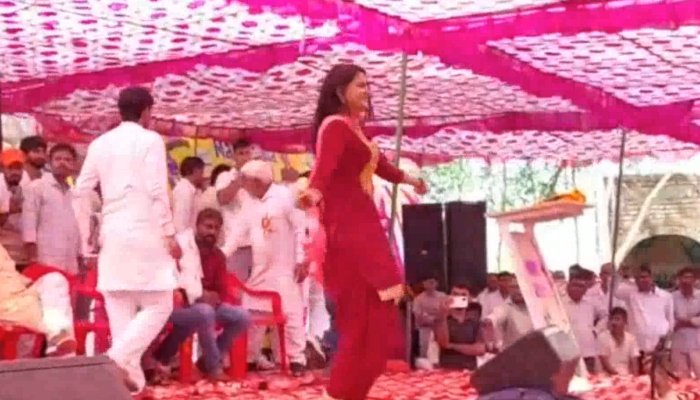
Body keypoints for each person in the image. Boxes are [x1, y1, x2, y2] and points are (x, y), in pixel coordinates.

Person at [297, 64, 427, 400]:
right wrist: (313, 193)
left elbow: (382, 166)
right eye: (360, 85)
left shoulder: (356, 130)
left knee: (379, 318)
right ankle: (338, 393)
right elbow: (323, 168)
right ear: (340, 92)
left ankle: (353, 391)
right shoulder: (334, 127)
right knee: (361, 319)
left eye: (368, 85)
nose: (367, 91)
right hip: (349, 230)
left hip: (365, 226)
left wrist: (411, 180)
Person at [73, 87, 181, 394]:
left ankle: (128, 389)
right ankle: (112, 360)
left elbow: (80, 192)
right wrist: (169, 233)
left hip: (113, 236)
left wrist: (86, 239)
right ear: (146, 111)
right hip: (146, 233)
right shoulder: (150, 140)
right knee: (160, 304)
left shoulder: (99, 144)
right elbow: (157, 191)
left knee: (121, 313)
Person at [222, 160, 309, 376]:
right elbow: (237, 234)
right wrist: (219, 256)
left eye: (245, 181)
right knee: (251, 312)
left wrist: (301, 259)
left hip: (285, 269)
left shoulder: (285, 196)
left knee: (291, 314)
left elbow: (300, 228)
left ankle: (297, 360)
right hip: (260, 269)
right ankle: (250, 357)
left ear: (257, 182)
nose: (242, 185)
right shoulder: (249, 202)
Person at [153, 208, 251, 380]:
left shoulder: (218, 256)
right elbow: (172, 279)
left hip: (206, 306)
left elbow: (221, 291)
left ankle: (205, 361)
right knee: (203, 313)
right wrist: (198, 294)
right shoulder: (182, 247)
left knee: (242, 316)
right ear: (197, 226)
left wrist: (211, 297)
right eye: (208, 226)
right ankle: (214, 367)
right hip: (175, 305)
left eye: (216, 228)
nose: (211, 232)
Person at [0, 244, 76, 357]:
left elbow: (10, 276)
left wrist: (30, 284)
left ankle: (57, 339)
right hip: (8, 305)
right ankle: (59, 344)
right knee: (57, 308)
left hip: (21, 296)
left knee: (55, 279)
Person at [22, 143, 81, 274]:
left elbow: (79, 226)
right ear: (50, 162)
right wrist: (32, 258)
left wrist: (80, 256)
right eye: (58, 159)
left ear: (74, 164)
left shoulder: (75, 191)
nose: (62, 163)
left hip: (71, 259)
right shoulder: (37, 187)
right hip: (45, 258)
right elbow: (28, 226)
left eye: (67, 160)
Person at [614, 264, 673, 359]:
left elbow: (670, 320)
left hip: (659, 345)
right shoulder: (630, 293)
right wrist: (618, 274)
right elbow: (614, 291)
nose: (641, 280)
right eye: (637, 278)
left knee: (660, 369)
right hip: (637, 345)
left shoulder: (666, 296)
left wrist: (667, 342)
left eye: (644, 277)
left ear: (652, 277)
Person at [216, 139, 255, 281]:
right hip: (236, 246)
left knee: (259, 289)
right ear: (234, 156)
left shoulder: (259, 178)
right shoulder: (225, 177)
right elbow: (222, 199)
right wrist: (239, 181)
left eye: (247, 153)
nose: (245, 157)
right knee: (237, 288)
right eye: (241, 153)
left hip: (259, 245)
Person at [562, 272, 607, 373]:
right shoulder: (560, 303)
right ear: (568, 286)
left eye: (581, 286)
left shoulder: (591, 303)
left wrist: (596, 330)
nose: (578, 289)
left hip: (587, 351)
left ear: (585, 289)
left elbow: (605, 316)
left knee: (589, 379)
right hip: (568, 353)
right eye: (575, 285)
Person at [482, 277, 534, 349]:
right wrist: (490, 321)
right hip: (513, 352)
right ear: (509, 289)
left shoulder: (538, 306)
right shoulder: (506, 307)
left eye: (521, 287)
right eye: (514, 287)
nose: (518, 290)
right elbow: (497, 315)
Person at [434, 301, 486, 371]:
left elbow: (480, 350)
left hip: (470, 369)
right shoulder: (443, 320)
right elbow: (443, 343)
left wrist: (452, 346)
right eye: (456, 296)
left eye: (463, 296)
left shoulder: (474, 322)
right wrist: (443, 315)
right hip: (447, 369)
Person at [0, 149, 31, 265]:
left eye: (18, 169)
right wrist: (10, 210)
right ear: (3, 169)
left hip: (19, 247)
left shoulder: (26, 181)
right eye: (10, 168)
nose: (15, 172)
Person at [671, 267, 700, 378]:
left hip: (697, 343)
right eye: (684, 278)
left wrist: (688, 321)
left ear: (694, 280)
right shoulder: (672, 297)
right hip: (678, 343)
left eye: (690, 277)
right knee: (682, 379)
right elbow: (670, 319)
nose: (687, 281)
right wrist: (694, 320)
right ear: (679, 280)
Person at [598, 307, 640, 376]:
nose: (613, 322)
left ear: (625, 322)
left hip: (626, 376)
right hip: (606, 377)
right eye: (611, 319)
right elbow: (605, 363)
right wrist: (619, 378)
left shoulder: (631, 339)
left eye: (617, 319)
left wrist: (634, 379)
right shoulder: (602, 337)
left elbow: (634, 363)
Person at [413, 275, 447, 359]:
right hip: (424, 331)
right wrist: (437, 316)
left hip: (441, 330)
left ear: (436, 283)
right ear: (423, 284)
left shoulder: (443, 296)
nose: (430, 285)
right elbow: (419, 319)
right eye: (428, 282)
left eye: (432, 282)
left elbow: (447, 314)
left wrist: (429, 316)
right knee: (424, 355)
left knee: (443, 353)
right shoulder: (418, 299)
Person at [172, 156, 206, 233]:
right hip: (184, 237)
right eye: (202, 172)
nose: (203, 176)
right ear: (196, 171)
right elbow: (180, 223)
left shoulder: (191, 190)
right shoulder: (184, 190)